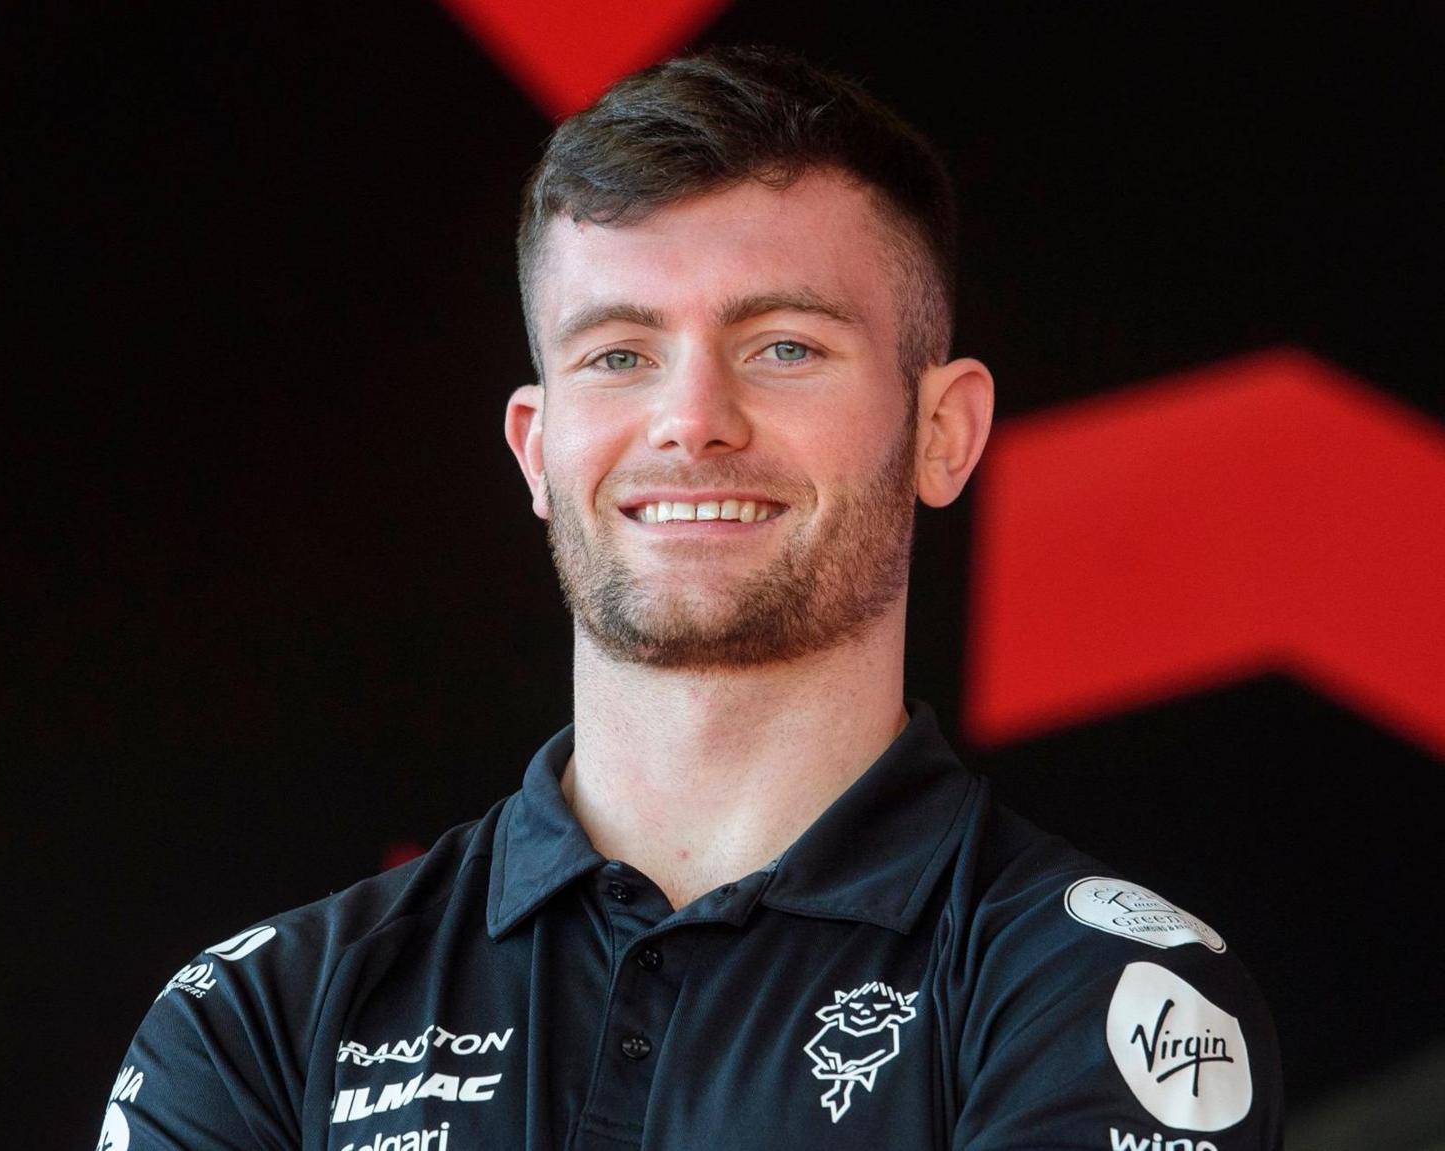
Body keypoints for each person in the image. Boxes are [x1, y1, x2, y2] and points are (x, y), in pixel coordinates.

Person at [99, 45, 1281, 1150]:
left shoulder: (1102, 995)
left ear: (941, 431)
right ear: (535, 446)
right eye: (618, 354)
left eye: (782, 347)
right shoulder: (257, 1019)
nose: (691, 416)